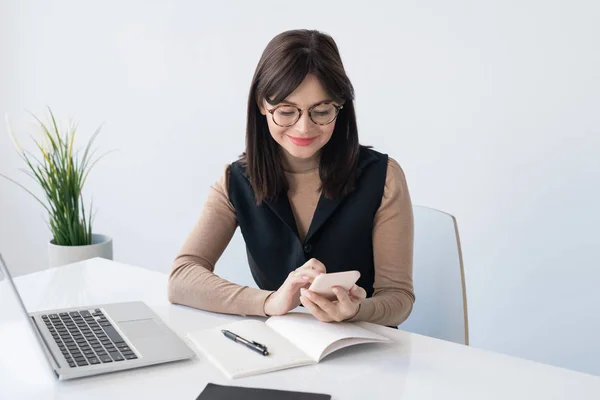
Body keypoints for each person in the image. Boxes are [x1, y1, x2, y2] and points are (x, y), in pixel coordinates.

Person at [168, 29, 414, 327]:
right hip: (281, 350)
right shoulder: (235, 181)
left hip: (368, 352)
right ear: (262, 104)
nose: (303, 128)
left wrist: (355, 311)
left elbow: (398, 299)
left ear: (340, 106)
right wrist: (269, 301)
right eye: (286, 111)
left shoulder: (383, 177)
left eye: (321, 111)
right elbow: (182, 277)